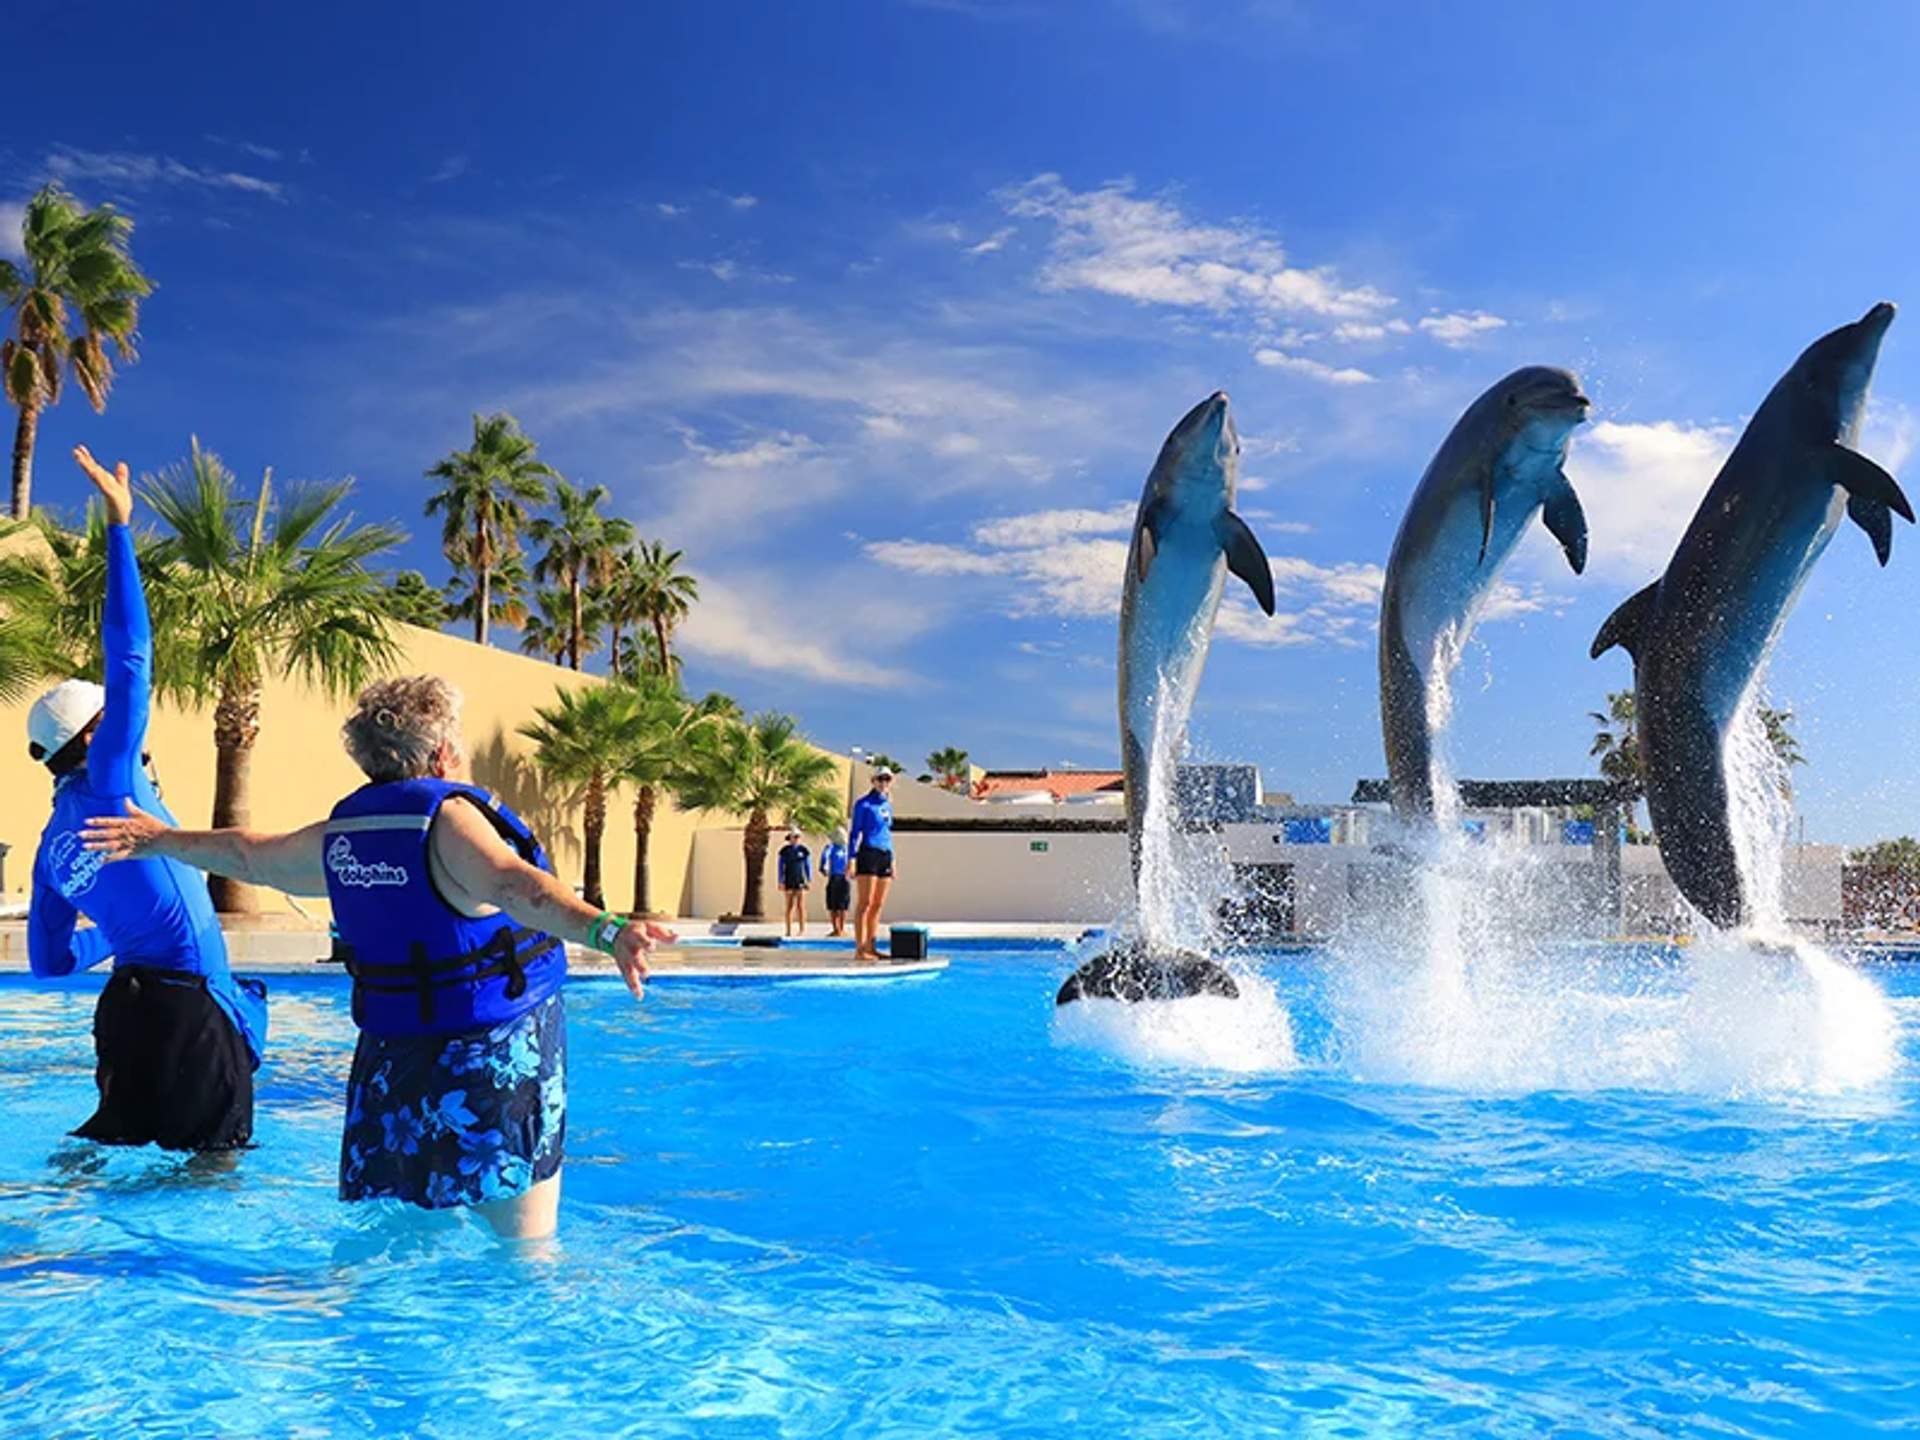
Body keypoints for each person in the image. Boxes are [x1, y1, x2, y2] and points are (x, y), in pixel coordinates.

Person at [82, 673, 670, 1241]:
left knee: (404, 1235)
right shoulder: (449, 821)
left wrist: (159, 839)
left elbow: (249, 855)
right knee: (522, 1248)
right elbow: (518, 887)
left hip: (394, 1064)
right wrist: (608, 930)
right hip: (491, 1054)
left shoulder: (346, 835)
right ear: (442, 753)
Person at [27, 446, 267, 1154]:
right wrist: (120, 528)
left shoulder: (50, 847)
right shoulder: (113, 778)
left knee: (103, 1158)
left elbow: (48, 963)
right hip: (191, 1008)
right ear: (96, 732)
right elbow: (131, 653)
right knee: (210, 1172)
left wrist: (124, 938)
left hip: (124, 1017)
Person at [847, 768, 897, 961]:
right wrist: (851, 859)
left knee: (878, 904)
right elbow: (854, 834)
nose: (884, 782)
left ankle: (871, 946)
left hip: (885, 854)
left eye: (887, 779)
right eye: (880, 778)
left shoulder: (887, 805)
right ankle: (860, 949)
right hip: (868, 853)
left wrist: (892, 859)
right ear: (873, 781)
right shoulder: (863, 804)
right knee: (865, 903)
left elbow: (887, 833)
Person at [776, 828, 812, 937]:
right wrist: (780, 881)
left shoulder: (803, 850)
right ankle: (788, 930)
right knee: (789, 905)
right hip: (788, 879)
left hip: (800, 879)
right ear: (790, 838)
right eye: (794, 837)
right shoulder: (784, 851)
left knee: (800, 906)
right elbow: (780, 866)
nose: (796, 839)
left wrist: (809, 878)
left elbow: (807, 865)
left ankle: (802, 929)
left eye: (798, 837)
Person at [820, 832, 851, 938]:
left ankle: (841, 929)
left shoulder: (846, 849)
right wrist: (824, 868)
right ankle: (835, 929)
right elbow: (824, 858)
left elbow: (852, 860)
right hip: (833, 878)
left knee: (843, 906)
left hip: (844, 878)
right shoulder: (830, 847)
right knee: (833, 905)